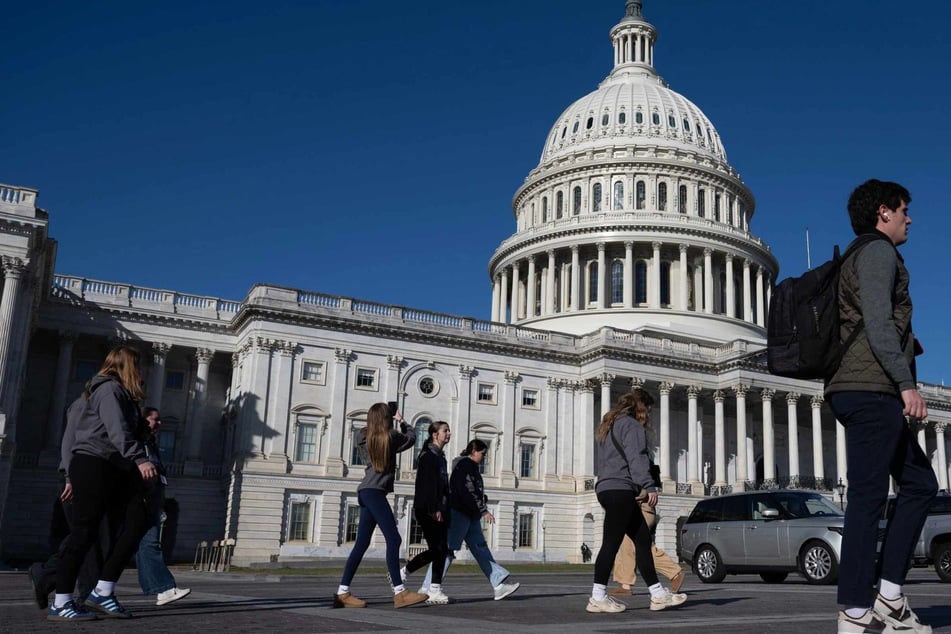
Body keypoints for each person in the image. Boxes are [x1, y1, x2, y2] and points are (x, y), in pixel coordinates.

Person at [826, 179, 937, 634]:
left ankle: (889, 595)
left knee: (921, 484)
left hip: (864, 386)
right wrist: (906, 383)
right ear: (883, 213)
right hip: (870, 389)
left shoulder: (860, 254)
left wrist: (907, 345)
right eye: (904, 209)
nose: (909, 218)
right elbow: (876, 321)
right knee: (867, 497)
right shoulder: (878, 252)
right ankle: (855, 610)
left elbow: (871, 318)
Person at [49, 346, 158, 621]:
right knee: (84, 533)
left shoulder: (122, 394)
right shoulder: (109, 389)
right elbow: (116, 431)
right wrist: (140, 459)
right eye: (137, 365)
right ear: (126, 365)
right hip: (93, 463)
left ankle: (103, 590)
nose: (141, 371)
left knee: (139, 519)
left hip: (114, 467)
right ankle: (61, 601)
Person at [588, 388, 685, 613]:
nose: (648, 415)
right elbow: (637, 458)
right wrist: (649, 486)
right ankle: (597, 597)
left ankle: (658, 595)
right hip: (620, 489)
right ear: (642, 407)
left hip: (606, 488)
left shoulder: (608, 425)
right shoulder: (631, 426)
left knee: (641, 541)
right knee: (611, 543)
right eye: (648, 410)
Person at [333, 402, 427, 609]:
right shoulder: (391, 437)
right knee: (394, 539)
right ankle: (400, 593)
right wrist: (401, 420)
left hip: (366, 491)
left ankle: (342, 592)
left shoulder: (363, 437)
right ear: (387, 419)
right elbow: (411, 438)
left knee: (361, 544)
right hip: (375, 493)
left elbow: (373, 432)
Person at [419, 439, 520, 601]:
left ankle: (499, 585)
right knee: (447, 551)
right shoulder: (465, 466)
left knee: (480, 549)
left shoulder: (470, 467)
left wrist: (481, 502)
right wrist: (483, 510)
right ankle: (427, 589)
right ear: (473, 452)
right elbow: (468, 490)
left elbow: (472, 491)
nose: (484, 457)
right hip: (460, 513)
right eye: (482, 454)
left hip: (470, 515)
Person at [135, 407, 191, 606]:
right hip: (143, 500)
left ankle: (162, 589)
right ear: (144, 420)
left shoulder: (150, 442)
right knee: (148, 543)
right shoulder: (139, 443)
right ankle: (163, 588)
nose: (159, 423)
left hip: (152, 500)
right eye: (155, 419)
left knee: (146, 544)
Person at [609, 459, 684, 596]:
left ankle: (674, 572)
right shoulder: (632, 460)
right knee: (628, 543)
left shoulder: (635, 460)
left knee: (639, 545)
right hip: (638, 505)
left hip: (641, 506)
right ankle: (625, 584)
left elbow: (639, 485)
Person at [400, 421, 451, 604]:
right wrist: (435, 508)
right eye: (445, 431)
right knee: (439, 549)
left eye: (449, 430)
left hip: (438, 508)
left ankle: (406, 575)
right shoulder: (428, 456)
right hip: (427, 508)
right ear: (435, 435)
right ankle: (431, 588)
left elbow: (443, 486)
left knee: (439, 550)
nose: (449, 433)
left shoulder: (440, 457)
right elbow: (428, 486)